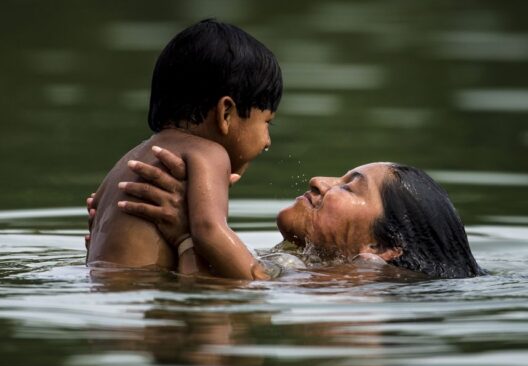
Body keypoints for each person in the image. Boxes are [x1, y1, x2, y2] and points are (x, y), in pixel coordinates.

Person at [86, 19, 282, 280]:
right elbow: (209, 231)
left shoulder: (128, 160)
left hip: (101, 296)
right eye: (267, 122)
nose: (267, 141)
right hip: (147, 297)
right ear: (226, 113)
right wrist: (259, 279)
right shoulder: (209, 154)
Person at [101, 147, 484, 279]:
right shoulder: (313, 269)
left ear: (382, 246)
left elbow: (215, 300)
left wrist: (188, 233)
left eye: (350, 186)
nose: (319, 181)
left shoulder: (351, 286)